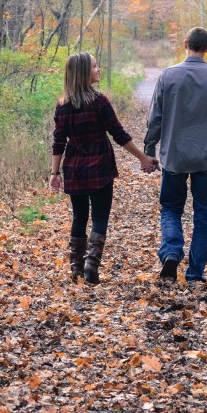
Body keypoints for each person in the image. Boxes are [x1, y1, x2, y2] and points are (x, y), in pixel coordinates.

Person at [50, 52, 158, 285]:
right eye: (95, 67)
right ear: (83, 74)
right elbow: (119, 135)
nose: (99, 70)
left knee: (79, 217)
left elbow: (58, 143)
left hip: (75, 170)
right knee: (99, 218)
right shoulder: (100, 102)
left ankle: (76, 268)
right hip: (100, 169)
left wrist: (55, 174)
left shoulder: (62, 107)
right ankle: (91, 265)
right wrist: (142, 158)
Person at [144, 27, 207, 286]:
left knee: (171, 209)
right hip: (206, 159)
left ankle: (172, 251)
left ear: (185, 44)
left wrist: (149, 150)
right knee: (203, 215)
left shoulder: (167, 76)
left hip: (174, 157)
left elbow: (155, 118)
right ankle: (195, 273)